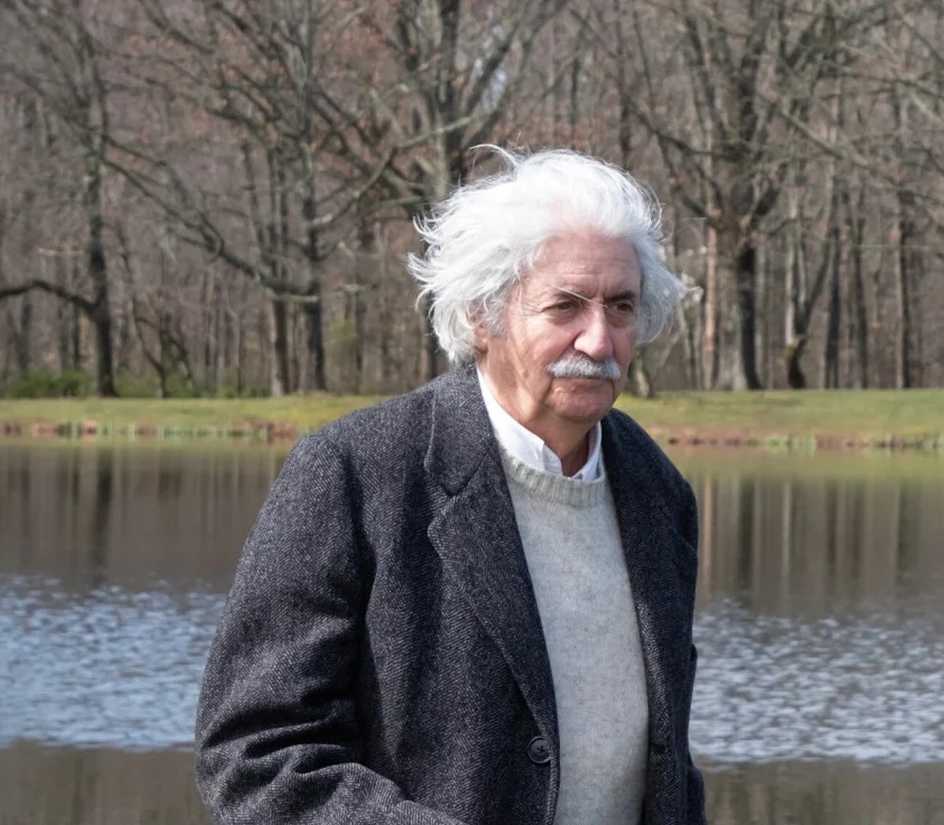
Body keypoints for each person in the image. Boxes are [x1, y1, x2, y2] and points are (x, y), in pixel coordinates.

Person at [195, 148, 706, 825]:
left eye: (621, 305)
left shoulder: (658, 491)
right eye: (564, 306)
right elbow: (255, 753)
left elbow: (668, 765)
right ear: (480, 316)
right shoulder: (357, 473)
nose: (599, 337)